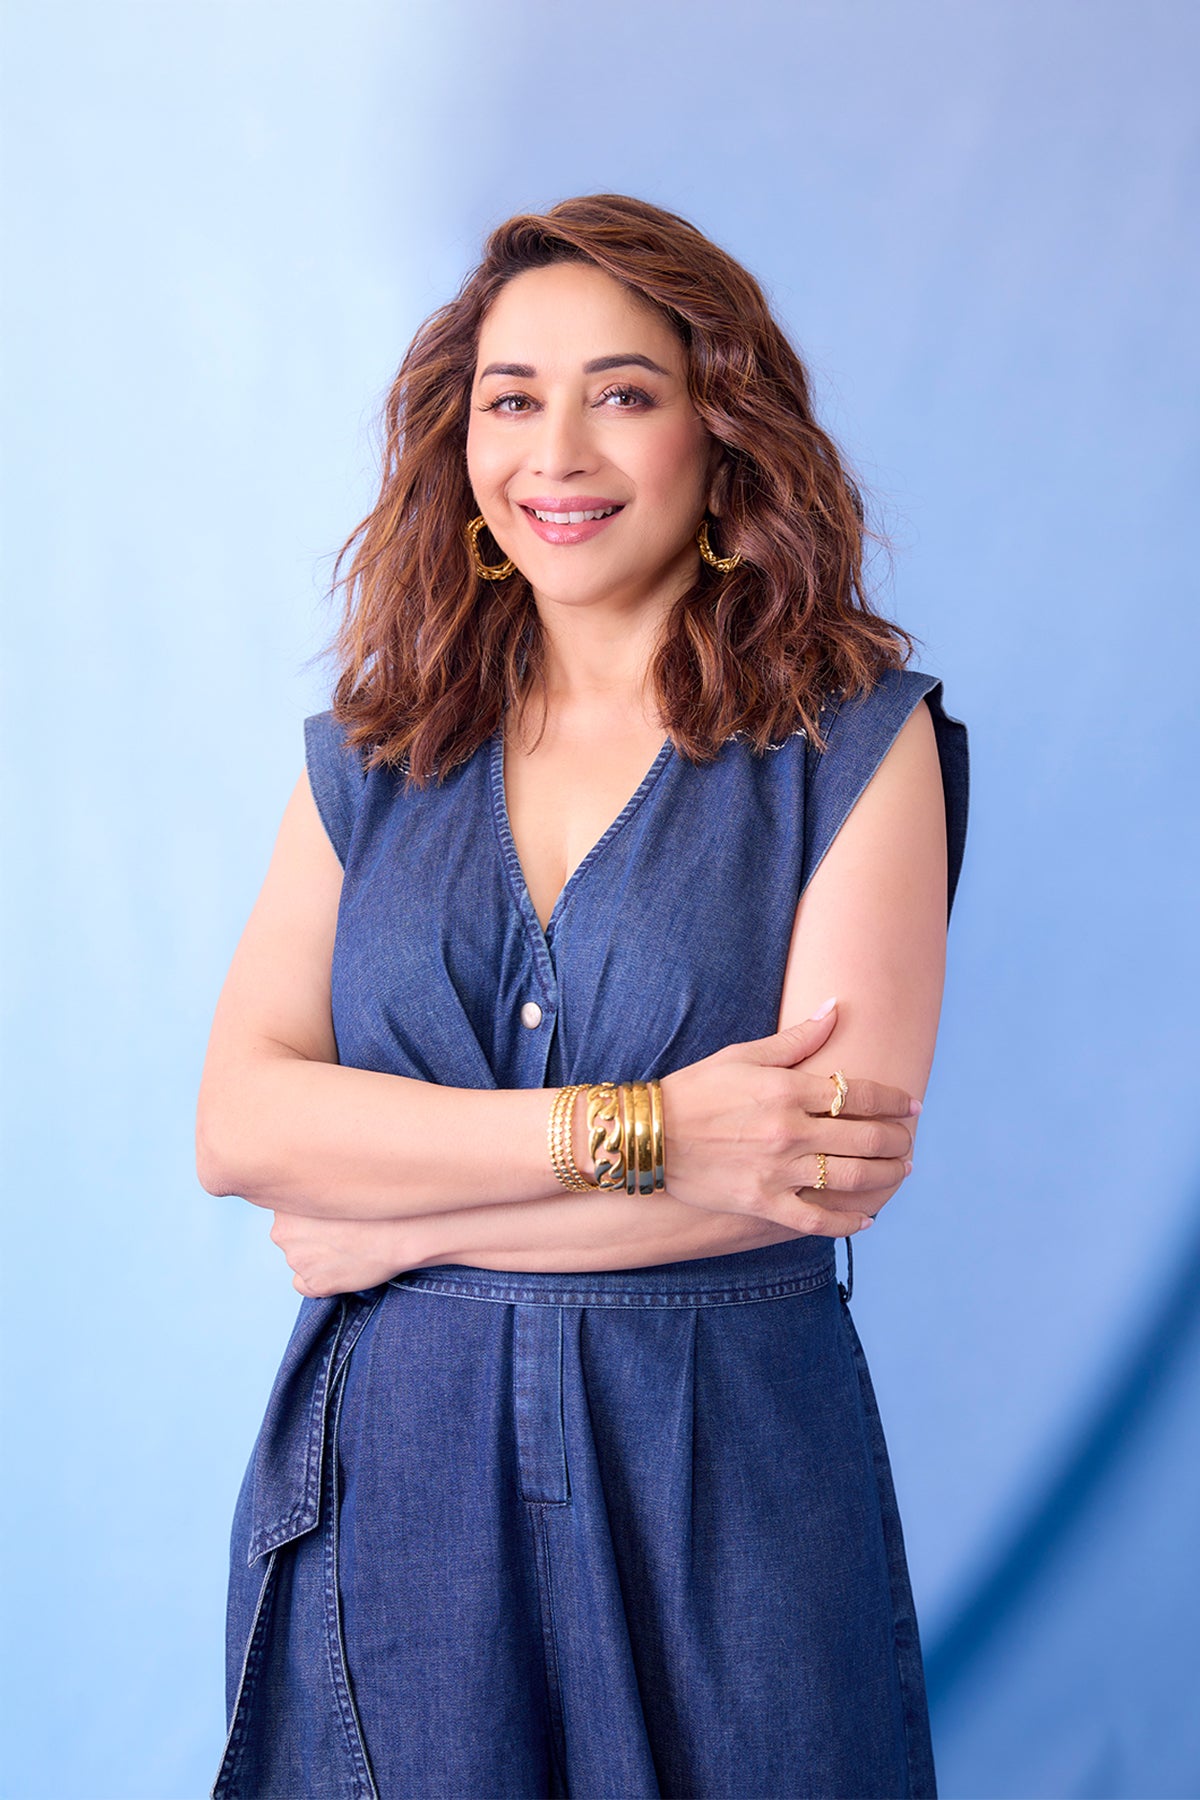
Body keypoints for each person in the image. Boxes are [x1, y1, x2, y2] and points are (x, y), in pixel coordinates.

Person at [197, 192, 969, 1800]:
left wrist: (399, 1231)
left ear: (722, 428)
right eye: (511, 399)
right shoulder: (375, 755)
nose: (556, 452)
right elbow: (242, 1125)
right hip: (398, 1498)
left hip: (723, 1492)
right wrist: (658, 1130)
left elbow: (812, 1172)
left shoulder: (855, 744)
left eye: (622, 392)